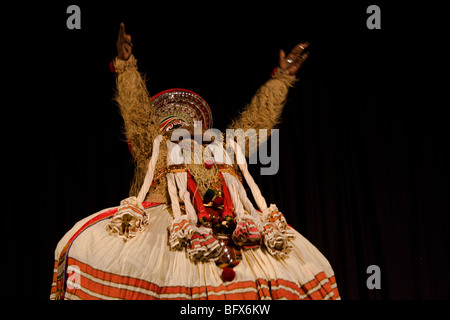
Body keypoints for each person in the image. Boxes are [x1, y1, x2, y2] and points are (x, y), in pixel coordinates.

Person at [50, 23, 340, 300]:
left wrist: (281, 79)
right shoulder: (154, 149)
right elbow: (136, 110)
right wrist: (125, 67)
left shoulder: (222, 151)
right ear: (161, 128)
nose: (185, 127)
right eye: (174, 124)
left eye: (192, 124)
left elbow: (257, 121)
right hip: (169, 235)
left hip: (226, 231)